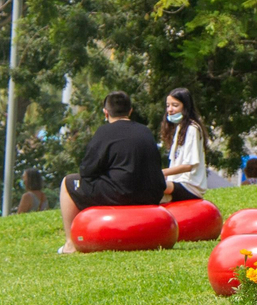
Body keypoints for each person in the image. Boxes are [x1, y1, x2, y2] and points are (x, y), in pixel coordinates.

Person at [59, 91, 166, 254]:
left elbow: (87, 170)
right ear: (130, 111)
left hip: (121, 194)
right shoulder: (145, 131)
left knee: (68, 182)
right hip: (151, 193)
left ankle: (70, 244)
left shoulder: (104, 132)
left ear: (106, 112)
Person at [159, 88, 208, 204]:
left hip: (190, 186)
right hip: (177, 183)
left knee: (152, 186)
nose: (170, 110)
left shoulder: (192, 128)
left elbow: (188, 166)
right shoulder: (180, 128)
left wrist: (163, 172)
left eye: (175, 105)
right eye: (168, 106)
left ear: (185, 107)